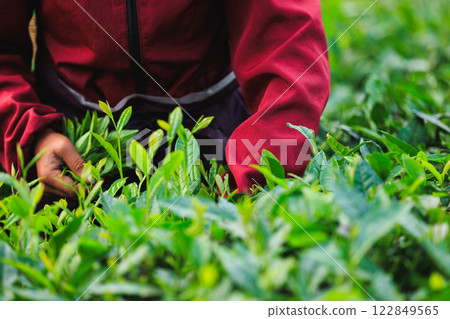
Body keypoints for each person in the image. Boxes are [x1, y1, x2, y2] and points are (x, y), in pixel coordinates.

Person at [0, 1, 330, 197]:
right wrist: (29, 135)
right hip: (73, 143)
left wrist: (255, 179)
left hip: (219, 131)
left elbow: (286, 37)